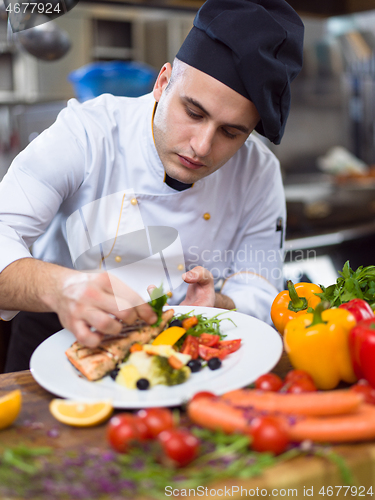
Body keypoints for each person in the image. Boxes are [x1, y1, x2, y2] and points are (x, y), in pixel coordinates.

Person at [0, 0, 304, 372]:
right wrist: (62, 288)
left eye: (230, 132)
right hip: (56, 343)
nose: (201, 146)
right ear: (163, 82)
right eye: (193, 113)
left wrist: (220, 303)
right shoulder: (87, 133)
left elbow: (260, 287)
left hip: (181, 354)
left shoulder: (258, 172)